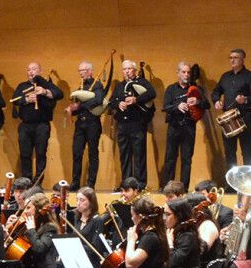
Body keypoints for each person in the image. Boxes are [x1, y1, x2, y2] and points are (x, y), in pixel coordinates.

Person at [160, 62, 209, 190]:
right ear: (178, 73)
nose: (186, 75)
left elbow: (207, 104)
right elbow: (165, 107)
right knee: (170, 158)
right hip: (174, 126)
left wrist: (197, 101)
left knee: (186, 159)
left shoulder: (196, 88)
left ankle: (183, 188)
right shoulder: (171, 89)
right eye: (183, 72)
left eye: (188, 72)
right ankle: (167, 188)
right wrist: (177, 106)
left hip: (189, 126)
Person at [12, 62, 63, 185]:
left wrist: (44, 92)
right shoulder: (22, 86)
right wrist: (26, 99)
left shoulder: (46, 85)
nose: (31, 72)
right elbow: (15, 100)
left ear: (40, 71)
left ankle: (37, 183)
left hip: (42, 125)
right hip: (25, 125)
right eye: (28, 69)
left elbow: (59, 94)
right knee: (25, 154)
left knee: (41, 154)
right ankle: (27, 182)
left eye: (34, 69)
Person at [211, 49, 251, 177]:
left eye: (236, 57)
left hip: (244, 117)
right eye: (230, 57)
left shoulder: (250, 76)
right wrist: (216, 101)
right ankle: (231, 182)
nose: (232, 60)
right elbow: (215, 92)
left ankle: (249, 180)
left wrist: (245, 99)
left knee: (247, 151)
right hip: (228, 119)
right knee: (229, 152)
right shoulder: (225, 76)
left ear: (243, 60)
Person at [109, 60, 156, 187]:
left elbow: (152, 93)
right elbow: (111, 102)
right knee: (124, 155)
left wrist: (136, 99)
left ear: (134, 70)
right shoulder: (119, 85)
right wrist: (119, 104)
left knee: (139, 154)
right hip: (122, 125)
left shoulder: (142, 82)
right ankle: (127, 183)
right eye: (124, 69)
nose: (127, 71)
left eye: (129, 69)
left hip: (137, 123)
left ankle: (140, 184)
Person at [66, 61, 106, 191]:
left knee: (92, 153)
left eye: (83, 70)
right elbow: (77, 105)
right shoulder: (80, 87)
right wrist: (72, 109)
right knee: (77, 153)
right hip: (80, 124)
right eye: (79, 71)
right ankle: (75, 182)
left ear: (90, 71)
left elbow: (98, 100)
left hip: (92, 123)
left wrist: (80, 106)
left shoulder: (98, 85)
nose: (81, 73)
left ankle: (90, 184)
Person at [164, 198, 202, 268]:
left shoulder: (187, 236)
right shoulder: (174, 232)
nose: (164, 218)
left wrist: (170, 244)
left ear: (179, 216)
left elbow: (172, 262)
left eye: (167, 214)